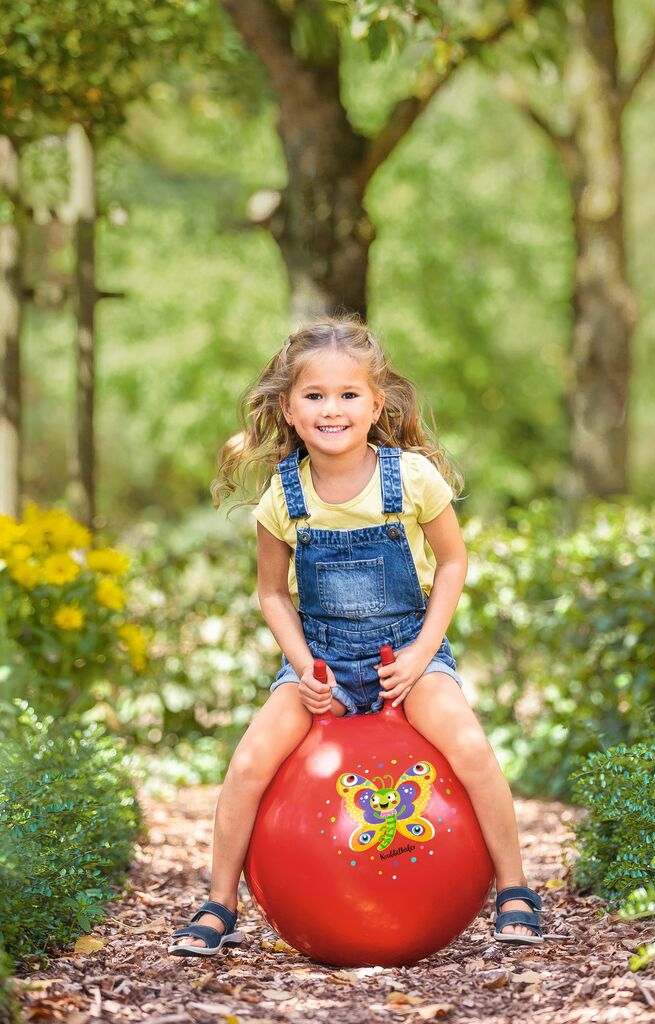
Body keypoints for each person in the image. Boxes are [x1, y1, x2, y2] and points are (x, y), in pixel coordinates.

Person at [168, 317, 543, 957]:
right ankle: (219, 903)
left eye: (348, 395)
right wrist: (306, 667)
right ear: (287, 408)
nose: (331, 409)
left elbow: (453, 563)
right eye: (314, 395)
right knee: (250, 761)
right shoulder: (283, 498)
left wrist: (425, 652)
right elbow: (272, 593)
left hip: (409, 653)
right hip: (322, 661)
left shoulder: (413, 479)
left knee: (469, 744)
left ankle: (514, 889)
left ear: (377, 405)